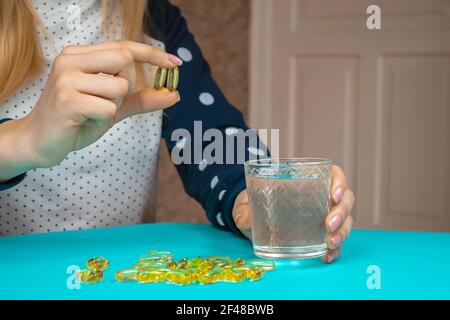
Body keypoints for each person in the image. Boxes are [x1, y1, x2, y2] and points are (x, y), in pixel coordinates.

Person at [0, 0, 355, 263]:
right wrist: (23, 142)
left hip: (119, 278)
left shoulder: (158, 21)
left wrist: (253, 197)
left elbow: (210, 141)